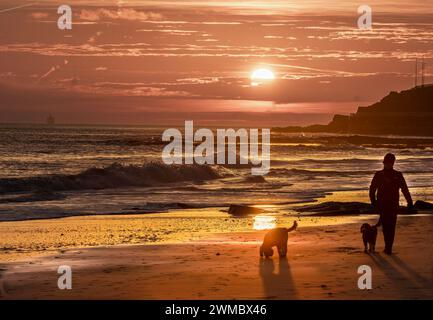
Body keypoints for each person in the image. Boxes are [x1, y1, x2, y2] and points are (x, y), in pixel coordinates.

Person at [369, 153, 413, 255]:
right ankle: (387, 246)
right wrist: (373, 202)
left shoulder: (398, 175)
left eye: (390, 162)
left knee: (391, 226)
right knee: (385, 226)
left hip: (393, 204)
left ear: (393, 163)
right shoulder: (379, 175)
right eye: (386, 162)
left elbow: (405, 189)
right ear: (384, 162)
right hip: (382, 204)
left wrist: (410, 202)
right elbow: (372, 189)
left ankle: (389, 247)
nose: (388, 164)